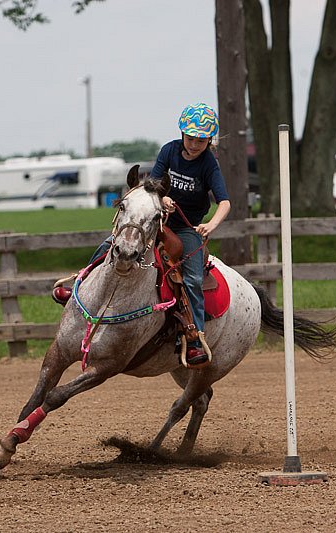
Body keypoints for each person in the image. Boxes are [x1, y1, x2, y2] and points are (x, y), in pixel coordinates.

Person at [53, 103, 231, 367]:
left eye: (201, 140)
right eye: (191, 138)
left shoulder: (208, 164)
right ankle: (80, 284)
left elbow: (224, 201)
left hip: (185, 227)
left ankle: (193, 337)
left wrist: (212, 224)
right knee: (110, 245)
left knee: (192, 277)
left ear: (209, 141)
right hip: (156, 218)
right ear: (183, 134)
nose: (194, 145)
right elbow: (152, 186)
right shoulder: (169, 151)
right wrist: (164, 198)